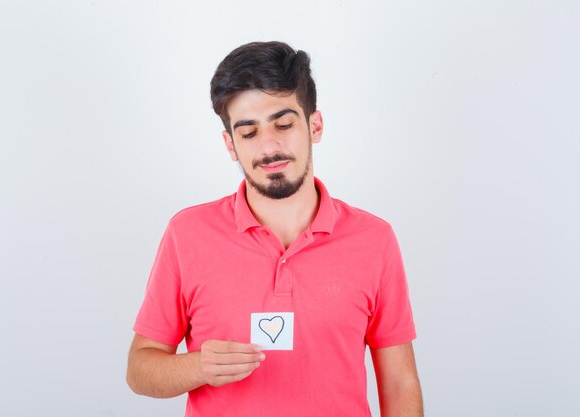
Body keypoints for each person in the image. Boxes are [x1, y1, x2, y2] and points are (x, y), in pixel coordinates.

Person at [126, 41, 423, 417]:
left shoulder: (374, 239)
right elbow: (140, 370)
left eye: (283, 124)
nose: (269, 146)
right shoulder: (187, 234)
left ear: (314, 125)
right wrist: (197, 366)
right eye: (248, 133)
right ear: (230, 145)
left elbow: (399, 382)